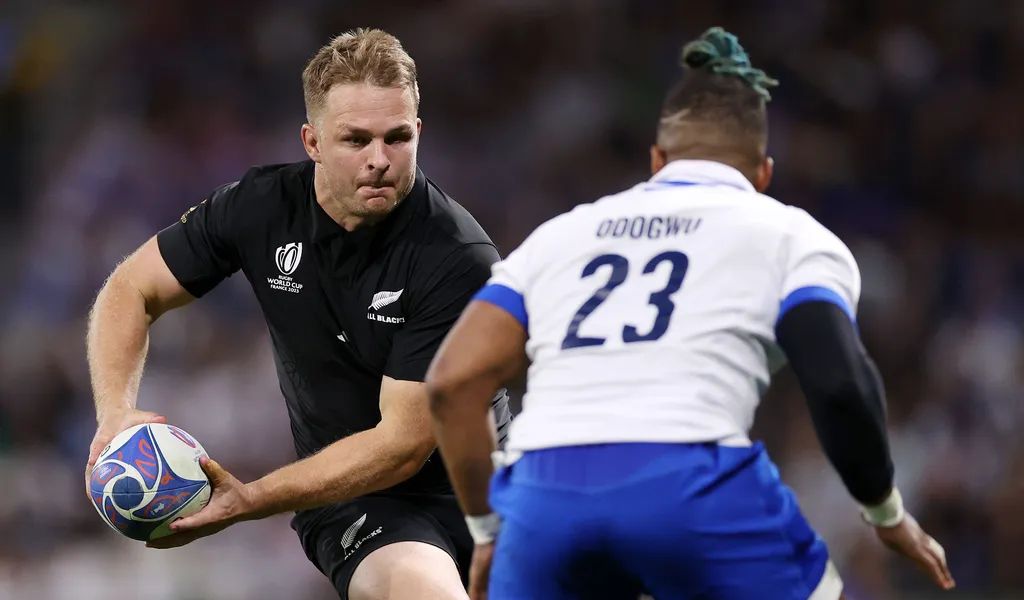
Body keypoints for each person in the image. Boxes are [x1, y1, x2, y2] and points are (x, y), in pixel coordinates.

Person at [426, 27, 955, 600]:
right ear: (763, 174)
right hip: (691, 480)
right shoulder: (792, 236)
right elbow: (839, 383)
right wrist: (884, 511)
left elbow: (451, 382)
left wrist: (488, 530)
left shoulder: (556, 237)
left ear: (656, 161)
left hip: (540, 496)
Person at [85, 28, 510, 600]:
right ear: (312, 142)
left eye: (397, 138)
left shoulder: (457, 256)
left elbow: (402, 446)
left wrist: (249, 500)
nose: (379, 160)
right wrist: (114, 410)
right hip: (360, 499)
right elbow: (131, 288)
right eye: (355, 140)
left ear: (419, 133)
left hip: (485, 496)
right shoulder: (260, 208)